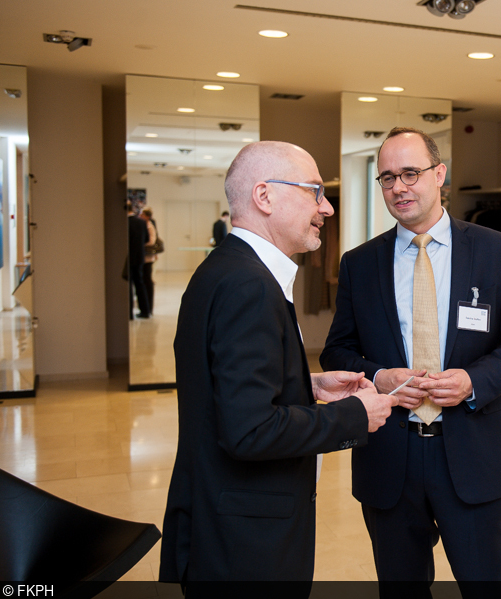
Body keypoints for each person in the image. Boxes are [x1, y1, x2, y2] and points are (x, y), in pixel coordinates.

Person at [160, 141, 398, 583]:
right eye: (315, 192)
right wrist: (354, 416)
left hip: (221, 520)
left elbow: (224, 391)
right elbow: (249, 432)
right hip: (244, 541)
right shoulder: (250, 286)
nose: (326, 209)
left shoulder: (226, 270)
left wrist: (304, 386)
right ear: (264, 196)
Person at [320, 127, 501, 590]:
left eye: (411, 173)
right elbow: (337, 349)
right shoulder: (359, 264)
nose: (399, 187)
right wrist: (377, 376)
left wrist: (473, 382)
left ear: (440, 175)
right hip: (389, 460)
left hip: (473, 455)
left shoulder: (495, 251)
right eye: (387, 178)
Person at [127, 203, 151, 319]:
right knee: (140, 284)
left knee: (128, 285)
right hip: (140, 257)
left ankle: (129, 313)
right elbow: (146, 239)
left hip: (128, 258)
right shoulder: (141, 222)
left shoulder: (125, 223)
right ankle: (145, 311)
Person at [140, 207, 158, 312]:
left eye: (143, 215)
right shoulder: (145, 225)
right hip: (144, 257)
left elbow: (151, 241)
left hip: (148, 257)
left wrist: (140, 243)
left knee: (147, 280)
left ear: (147, 216)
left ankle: (149, 306)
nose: (141, 216)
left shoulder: (150, 226)